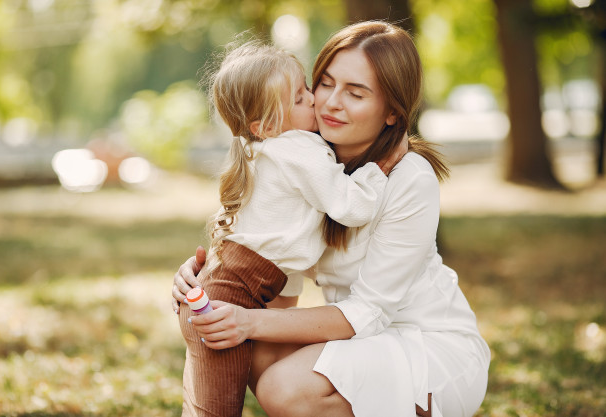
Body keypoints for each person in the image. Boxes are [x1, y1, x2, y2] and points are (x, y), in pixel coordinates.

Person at [173, 21, 491, 417]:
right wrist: (208, 282)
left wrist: (248, 322)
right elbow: (274, 268)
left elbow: (370, 312)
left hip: (426, 347)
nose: (329, 103)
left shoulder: (409, 177)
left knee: (285, 387)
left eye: (355, 93)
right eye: (323, 84)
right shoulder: (305, 155)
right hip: (355, 340)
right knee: (254, 353)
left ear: (392, 112)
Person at [177, 40, 405, 417]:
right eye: (299, 99)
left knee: (206, 407)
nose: (315, 101)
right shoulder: (299, 147)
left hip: (223, 291)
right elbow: (351, 206)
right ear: (265, 125)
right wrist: (378, 169)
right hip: (231, 297)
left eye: (306, 89)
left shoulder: (262, 150)